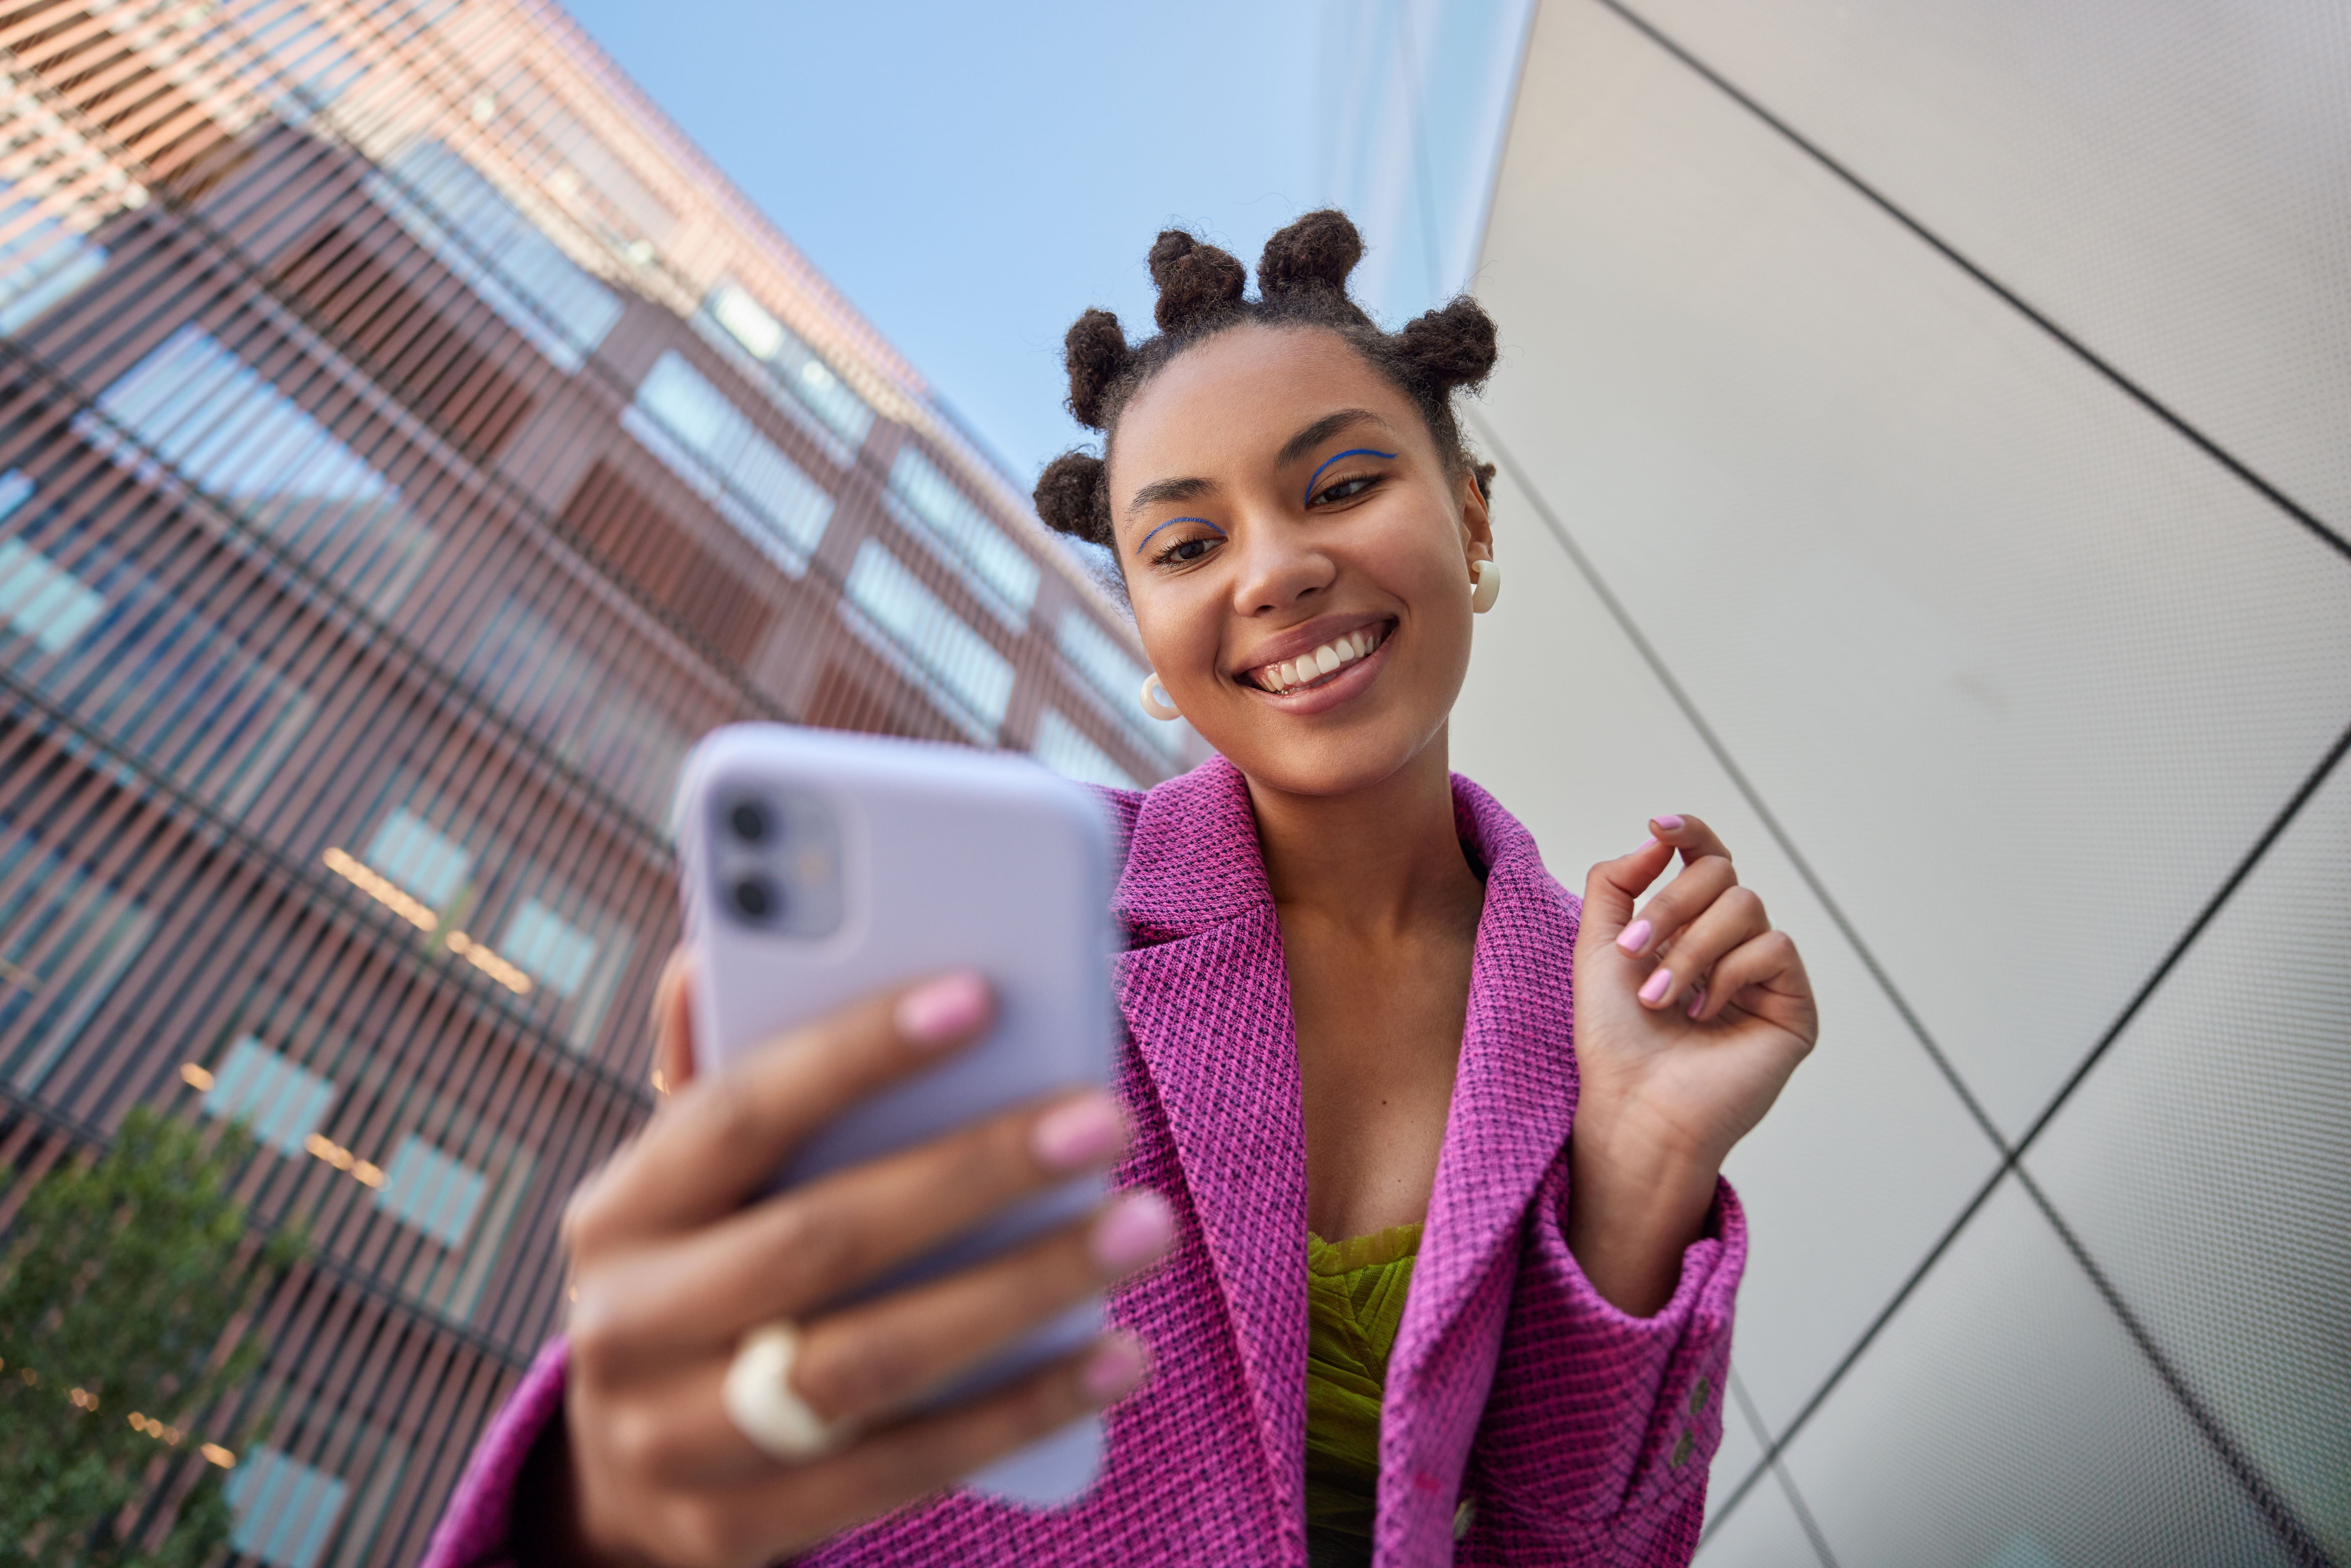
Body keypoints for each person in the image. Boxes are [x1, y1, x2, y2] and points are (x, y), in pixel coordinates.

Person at [424, 211, 1817, 1568]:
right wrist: (608, 1519)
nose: (1277, 571)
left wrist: (1639, 1177)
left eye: (1339, 486)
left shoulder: (1597, 1010)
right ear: (1149, 635)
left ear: (1468, 512)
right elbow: (755, 1437)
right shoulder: (999, 928)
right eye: (1188, 546)